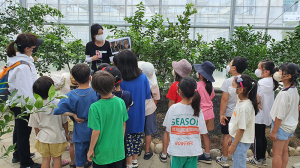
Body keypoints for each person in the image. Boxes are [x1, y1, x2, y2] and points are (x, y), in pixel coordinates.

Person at [6, 33, 43, 168]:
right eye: (34, 47)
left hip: (16, 101)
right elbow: (26, 90)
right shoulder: (23, 67)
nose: (35, 48)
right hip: (23, 104)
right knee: (24, 133)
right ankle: (26, 163)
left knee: (18, 130)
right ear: (27, 48)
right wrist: (33, 107)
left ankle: (18, 154)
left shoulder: (15, 58)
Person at [54, 63, 98, 168]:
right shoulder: (96, 93)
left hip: (80, 132)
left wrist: (73, 115)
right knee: (97, 158)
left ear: (75, 80)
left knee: (79, 162)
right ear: (90, 77)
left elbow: (57, 110)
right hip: (95, 131)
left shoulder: (70, 95)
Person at [114, 50, 151, 168]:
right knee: (137, 139)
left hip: (123, 117)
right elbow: (147, 95)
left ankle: (128, 163)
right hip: (139, 115)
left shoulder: (119, 80)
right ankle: (135, 160)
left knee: (127, 140)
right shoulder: (143, 77)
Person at [87, 71, 129, 168]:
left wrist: (90, 150)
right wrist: (120, 141)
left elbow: (96, 131)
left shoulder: (95, 107)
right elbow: (123, 123)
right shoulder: (120, 102)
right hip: (118, 150)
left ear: (94, 88)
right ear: (112, 85)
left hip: (102, 153)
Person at [163, 77, 207, 168]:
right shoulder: (198, 110)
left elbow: (167, 131)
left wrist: (167, 149)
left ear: (179, 91)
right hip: (192, 150)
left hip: (176, 151)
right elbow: (203, 132)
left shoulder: (173, 109)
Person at [28, 76, 69, 168]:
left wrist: (38, 136)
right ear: (52, 90)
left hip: (43, 138)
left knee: (45, 159)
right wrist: (66, 133)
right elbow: (65, 121)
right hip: (57, 137)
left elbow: (35, 125)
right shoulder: (58, 102)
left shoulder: (36, 105)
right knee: (57, 158)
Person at [216, 56, 248, 168]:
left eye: (230, 64)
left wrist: (221, 114)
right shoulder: (245, 79)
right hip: (241, 113)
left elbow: (224, 99)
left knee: (226, 135)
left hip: (229, 113)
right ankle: (236, 158)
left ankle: (224, 159)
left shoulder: (229, 81)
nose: (228, 66)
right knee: (237, 135)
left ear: (234, 68)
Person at [159, 59, 192, 163]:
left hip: (175, 115)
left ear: (176, 73)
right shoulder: (191, 85)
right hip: (187, 116)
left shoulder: (175, 86)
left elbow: (171, 103)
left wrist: (169, 117)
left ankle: (164, 154)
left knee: (167, 132)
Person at [247, 59, 278, 166]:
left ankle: (256, 158)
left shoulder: (261, 82)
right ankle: (262, 157)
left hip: (259, 114)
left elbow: (257, 95)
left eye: (260, 68)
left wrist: (258, 103)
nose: (258, 70)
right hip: (267, 113)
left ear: (266, 71)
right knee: (262, 136)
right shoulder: (272, 82)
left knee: (257, 136)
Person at [102, 66, 133, 168]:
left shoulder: (100, 96)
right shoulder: (127, 95)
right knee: (120, 157)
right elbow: (127, 109)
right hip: (120, 130)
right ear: (121, 80)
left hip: (105, 131)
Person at [269, 63, 300, 168]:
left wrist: (274, 131)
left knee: (277, 153)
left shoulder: (284, 94)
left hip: (281, 126)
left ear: (288, 76)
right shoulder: (294, 90)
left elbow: (280, 115)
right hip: (290, 126)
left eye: (281, 71)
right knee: (284, 151)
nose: (278, 73)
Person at [227, 75, 258, 168]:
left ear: (241, 89)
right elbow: (235, 122)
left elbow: (241, 128)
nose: (231, 87)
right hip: (237, 139)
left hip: (240, 141)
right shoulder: (240, 101)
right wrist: (230, 136)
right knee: (237, 163)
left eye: (233, 85)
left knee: (239, 165)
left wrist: (233, 145)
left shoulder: (245, 107)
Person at [193, 61, 216, 164]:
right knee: (205, 135)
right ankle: (207, 155)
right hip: (210, 114)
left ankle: (195, 155)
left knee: (196, 135)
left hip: (200, 114)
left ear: (201, 74)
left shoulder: (197, 85)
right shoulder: (211, 87)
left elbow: (194, 99)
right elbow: (211, 97)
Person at [138, 61, 160, 160]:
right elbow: (156, 98)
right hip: (149, 109)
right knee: (148, 132)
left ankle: (137, 150)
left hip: (138, 109)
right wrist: (151, 108)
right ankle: (147, 152)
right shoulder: (154, 83)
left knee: (138, 130)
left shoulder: (138, 81)